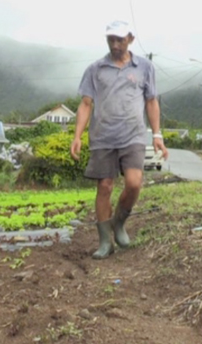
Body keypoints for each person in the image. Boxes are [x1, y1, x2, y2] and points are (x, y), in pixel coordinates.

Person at [70, 20, 169, 259]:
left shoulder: (145, 67)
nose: (115, 45)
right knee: (104, 186)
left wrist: (157, 135)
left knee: (134, 183)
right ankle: (105, 241)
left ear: (131, 39)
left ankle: (119, 223)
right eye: (111, 40)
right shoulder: (95, 69)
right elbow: (85, 104)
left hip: (133, 135)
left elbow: (151, 101)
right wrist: (77, 136)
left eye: (120, 40)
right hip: (103, 137)